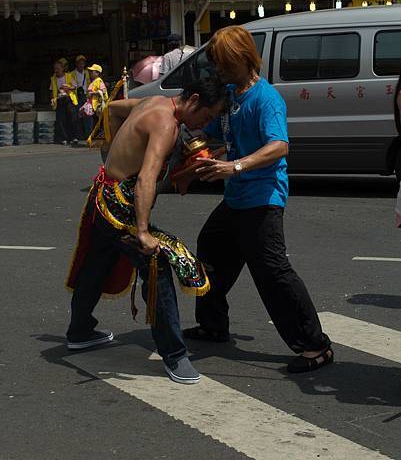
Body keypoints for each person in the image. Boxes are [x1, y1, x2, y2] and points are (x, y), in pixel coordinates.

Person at [183, 26, 333, 374]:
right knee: (210, 251)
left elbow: (279, 146)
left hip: (262, 199)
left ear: (240, 58)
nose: (218, 70)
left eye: (222, 63)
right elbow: (222, 138)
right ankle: (213, 325)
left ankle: (315, 346)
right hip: (236, 199)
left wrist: (234, 166)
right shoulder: (232, 95)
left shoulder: (266, 99)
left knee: (273, 274)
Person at [65, 77, 228, 385]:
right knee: (159, 265)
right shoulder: (166, 124)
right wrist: (142, 231)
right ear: (193, 100)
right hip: (121, 209)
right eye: (205, 117)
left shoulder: (152, 102)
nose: (203, 124)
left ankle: (80, 331)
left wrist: (114, 154)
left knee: (97, 263)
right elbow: (147, 178)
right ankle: (175, 355)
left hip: (104, 194)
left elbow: (112, 109)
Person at [50, 59, 79, 145]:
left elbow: (75, 87)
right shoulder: (53, 78)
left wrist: (68, 88)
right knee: (61, 120)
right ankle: (64, 138)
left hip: (68, 99)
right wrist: (52, 99)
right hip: (59, 100)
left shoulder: (69, 76)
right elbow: (51, 90)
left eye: (58, 68)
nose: (56, 70)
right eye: (55, 69)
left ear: (62, 68)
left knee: (73, 118)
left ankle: (74, 137)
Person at [70, 55, 92, 139]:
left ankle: (88, 134)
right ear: (76, 64)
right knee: (77, 116)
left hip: (85, 96)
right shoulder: (72, 74)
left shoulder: (87, 72)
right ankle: (79, 135)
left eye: (83, 63)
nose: (81, 65)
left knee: (87, 115)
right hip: (76, 97)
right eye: (79, 63)